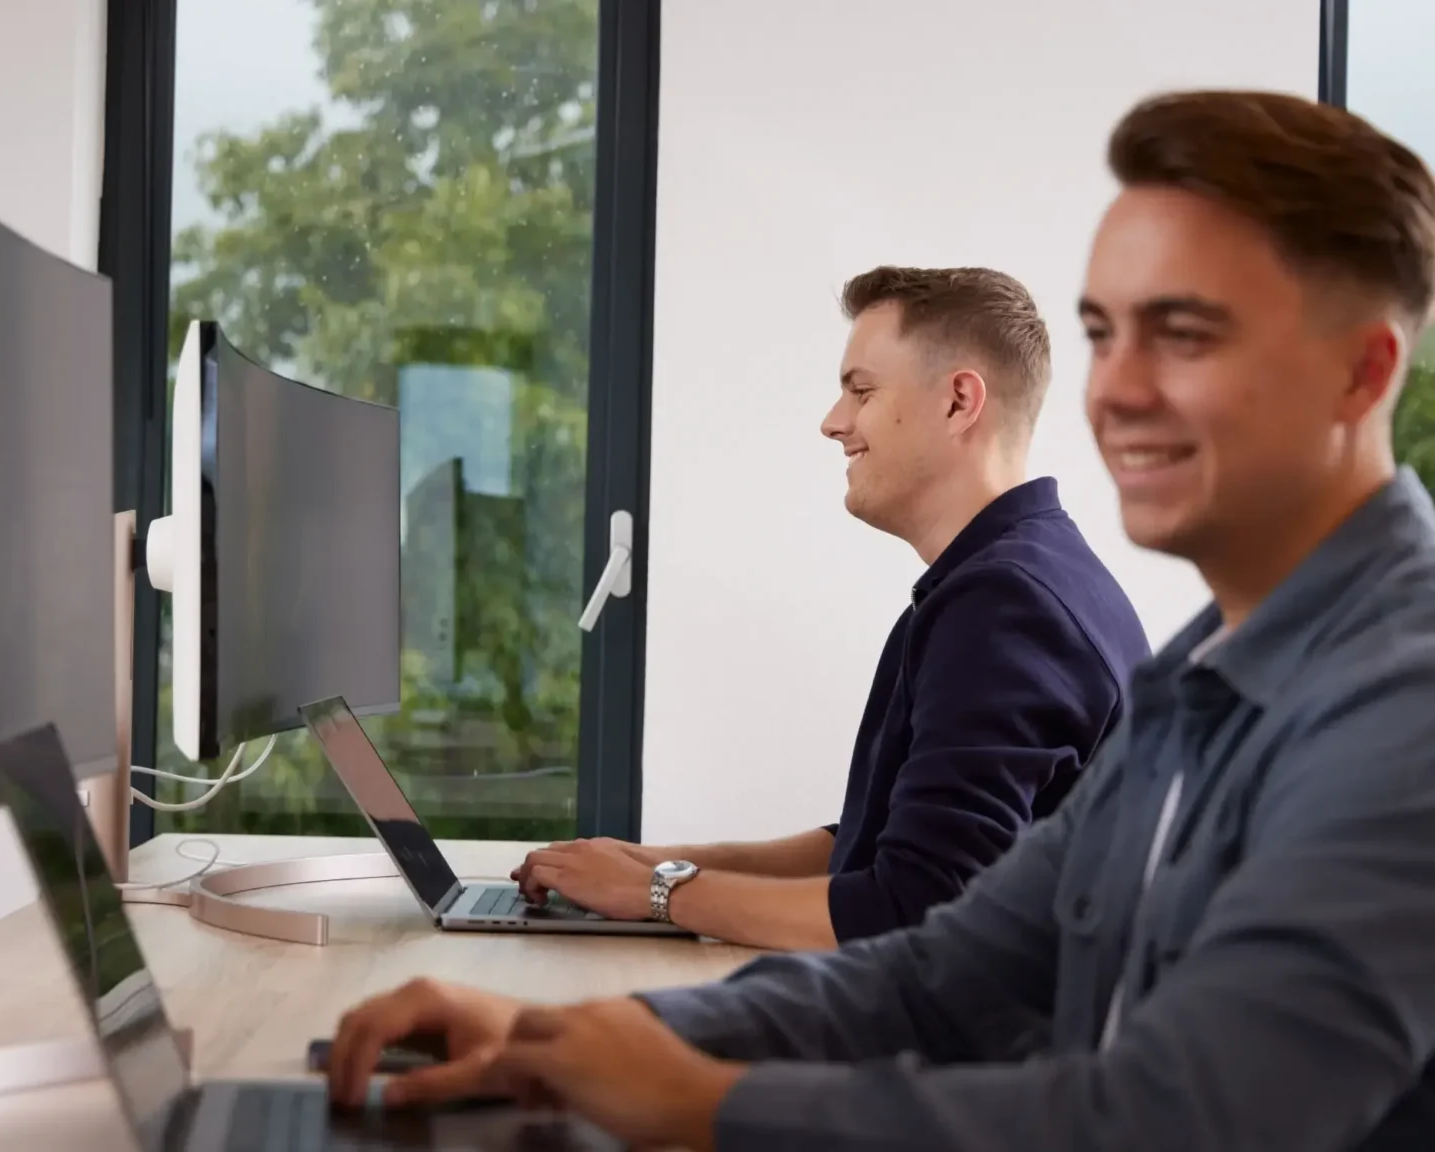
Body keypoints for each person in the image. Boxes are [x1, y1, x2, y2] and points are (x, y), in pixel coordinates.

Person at [327, 89, 1435, 1150]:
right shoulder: (1205, 672)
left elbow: (1174, 1121)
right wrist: (556, 1040)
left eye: (1184, 334)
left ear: (1359, 374)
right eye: (1106, 334)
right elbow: (949, 970)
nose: (1117, 391)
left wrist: (706, 1103)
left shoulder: (1403, 715)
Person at [507, 265, 1149, 951]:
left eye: (860, 391)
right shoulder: (1009, 580)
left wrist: (657, 895)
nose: (832, 422)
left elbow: (916, 906)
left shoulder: (1008, 607)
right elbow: (873, 846)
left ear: (960, 402)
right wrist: (658, 865)